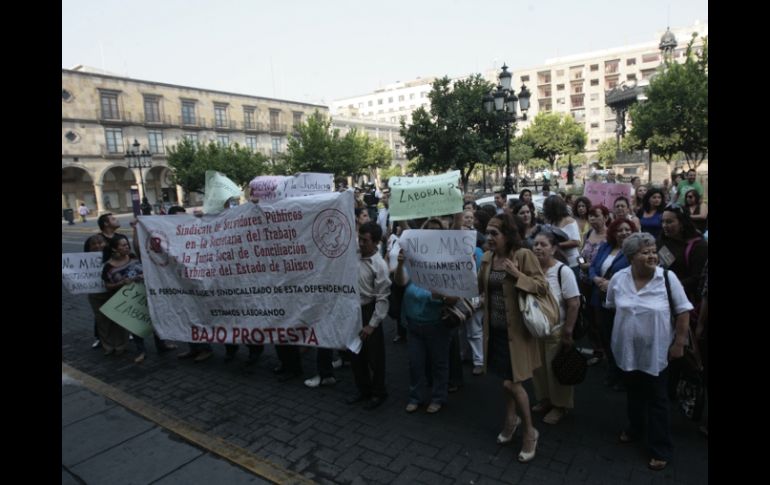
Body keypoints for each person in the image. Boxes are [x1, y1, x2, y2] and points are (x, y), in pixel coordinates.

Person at [607, 233, 692, 471]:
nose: (652, 255)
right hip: (627, 350)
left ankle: (660, 447)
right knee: (633, 392)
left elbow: (683, 312)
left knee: (657, 399)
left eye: (653, 250)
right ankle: (636, 429)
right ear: (631, 257)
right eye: (645, 252)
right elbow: (612, 306)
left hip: (658, 352)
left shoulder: (667, 278)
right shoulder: (618, 278)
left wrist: (679, 343)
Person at [477, 213, 547, 463]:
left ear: (508, 235)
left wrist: (518, 275)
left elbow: (542, 287)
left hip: (515, 334)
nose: (489, 238)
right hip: (494, 333)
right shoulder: (486, 258)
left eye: (495, 233)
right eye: (487, 233)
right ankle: (510, 420)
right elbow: (479, 289)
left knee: (512, 384)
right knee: (505, 380)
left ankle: (530, 431)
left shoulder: (523, 255)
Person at [530, 227, 580, 425]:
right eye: (535, 244)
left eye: (543, 245)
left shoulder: (562, 271)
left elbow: (573, 303)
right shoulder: (530, 270)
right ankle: (545, 399)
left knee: (555, 369)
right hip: (535, 329)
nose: (538, 248)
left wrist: (568, 330)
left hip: (556, 329)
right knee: (538, 368)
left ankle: (560, 406)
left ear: (553, 249)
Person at [347, 221, 391, 410]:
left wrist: (372, 324)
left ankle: (378, 392)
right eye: (360, 239)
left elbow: (382, 298)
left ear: (375, 242)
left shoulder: (380, 265)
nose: (361, 243)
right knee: (355, 353)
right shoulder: (354, 255)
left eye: (365, 240)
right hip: (352, 311)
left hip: (369, 312)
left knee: (375, 357)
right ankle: (362, 389)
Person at [589, 218, 636, 390]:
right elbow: (593, 266)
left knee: (622, 338)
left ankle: (624, 374)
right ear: (613, 233)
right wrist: (595, 278)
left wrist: (612, 284)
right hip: (599, 297)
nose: (624, 233)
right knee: (605, 334)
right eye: (620, 230)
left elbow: (636, 276)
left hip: (621, 301)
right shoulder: (605, 247)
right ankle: (613, 369)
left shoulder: (634, 251)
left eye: (627, 230)